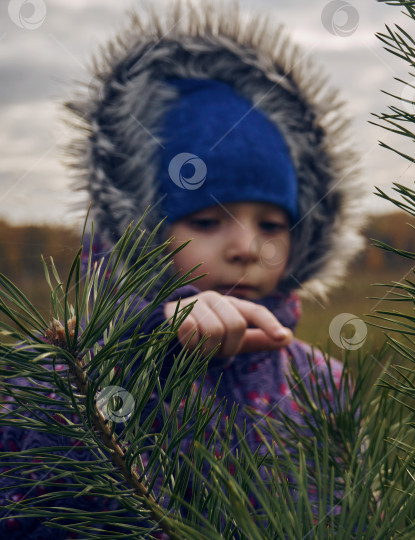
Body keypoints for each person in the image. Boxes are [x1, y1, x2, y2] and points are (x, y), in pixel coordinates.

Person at [0, 0, 366, 537]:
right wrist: (139, 352)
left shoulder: (326, 383)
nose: (246, 246)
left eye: (270, 224)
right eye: (206, 220)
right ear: (142, 231)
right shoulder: (70, 371)